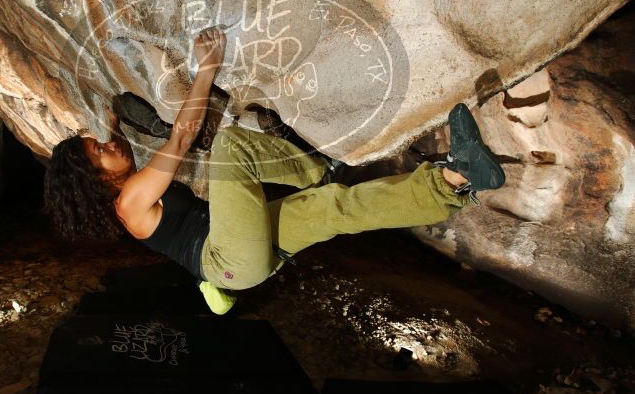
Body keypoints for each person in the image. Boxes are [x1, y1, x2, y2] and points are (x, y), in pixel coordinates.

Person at [43, 27, 505, 314]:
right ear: (97, 179)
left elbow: (118, 143)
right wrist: (207, 69)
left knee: (336, 209)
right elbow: (180, 139)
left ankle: (457, 177)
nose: (107, 146)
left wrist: (104, 123)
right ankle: (315, 170)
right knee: (228, 148)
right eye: (98, 152)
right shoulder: (130, 202)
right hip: (228, 262)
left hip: (243, 257)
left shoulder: (125, 190)